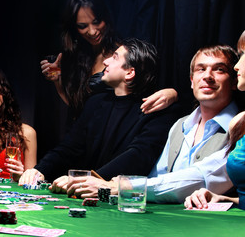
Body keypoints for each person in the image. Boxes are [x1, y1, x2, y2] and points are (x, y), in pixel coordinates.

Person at [64, 44, 239, 203]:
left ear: (234, 81)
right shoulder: (180, 125)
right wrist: (104, 187)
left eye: (219, 70)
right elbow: (157, 175)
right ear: (191, 80)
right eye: (201, 69)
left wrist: (119, 186)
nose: (207, 76)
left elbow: (199, 178)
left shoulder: (240, 129)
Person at [19, 38, 181, 185]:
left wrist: (89, 179)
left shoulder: (157, 109)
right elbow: (70, 147)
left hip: (123, 201)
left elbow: (137, 156)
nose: (106, 61)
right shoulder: (96, 102)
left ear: (130, 73)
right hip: (85, 196)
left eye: (115, 57)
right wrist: (39, 169)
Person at [40, 0, 178, 121]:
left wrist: (172, 94)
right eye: (83, 26)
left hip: (113, 133)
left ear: (105, 17)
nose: (92, 31)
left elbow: (146, 95)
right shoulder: (75, 57)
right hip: (84, 134)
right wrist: (57, 81)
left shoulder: (123, 53)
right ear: (74, 27)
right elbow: (77, 108)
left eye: (97, 22)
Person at [185, 31, 245, 210]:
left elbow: (202, 175)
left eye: (243, 55)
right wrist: (222, 198)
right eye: (200, 69)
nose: (237, 66)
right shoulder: (240, 122)